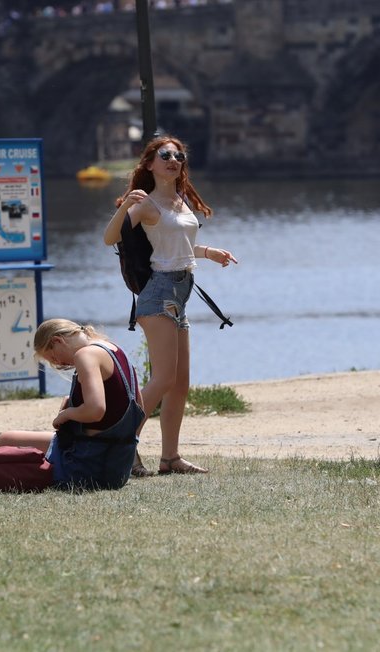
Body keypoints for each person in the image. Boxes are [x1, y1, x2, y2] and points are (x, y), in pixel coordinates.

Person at [103, 134, 238, 476]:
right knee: (162, 379)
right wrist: (123, 208)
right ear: (150, 164)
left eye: (179, 156)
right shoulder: (147, 203)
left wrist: (208, 252)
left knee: (180, 382)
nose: (174, 160)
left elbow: (178, 245)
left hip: (180, 293)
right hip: (158, 293)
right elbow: (109, 238)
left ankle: (170, 458)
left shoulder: (179, 201)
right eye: (165, 155)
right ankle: (120, 445)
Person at [0, 318, 144, 490]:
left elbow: (96, 410)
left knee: (5, 440)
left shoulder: (85, 355)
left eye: (54, 358)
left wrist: (66, 415)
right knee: (10, 441)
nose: (59, 365)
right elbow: (138, 407)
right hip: (118, 470)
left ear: (57, 341)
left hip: (86, 467)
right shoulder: (115, 350)